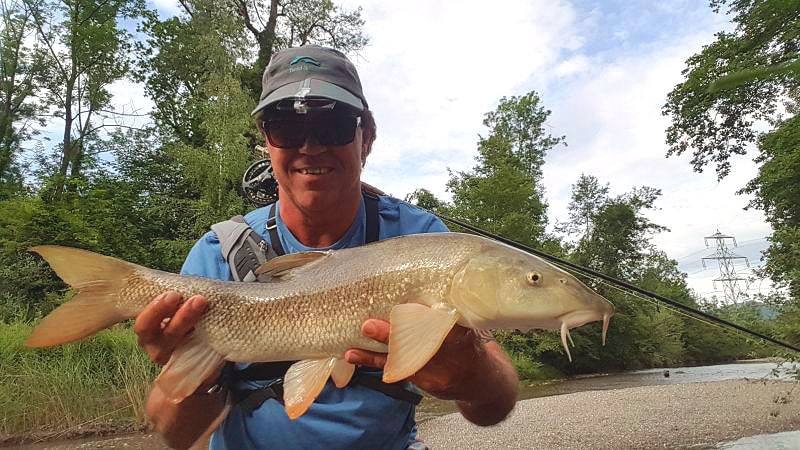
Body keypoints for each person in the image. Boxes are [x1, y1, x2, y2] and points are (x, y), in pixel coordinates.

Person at [134, 45, 519, 450]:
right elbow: (176, 436)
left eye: (333, 124)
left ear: (365, 137)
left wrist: (469, 373)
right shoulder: (219, 252)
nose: (311, 146)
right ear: (267, 141)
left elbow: (495, 406)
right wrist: (201, 377)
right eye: (286, 126)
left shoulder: (421, 240)